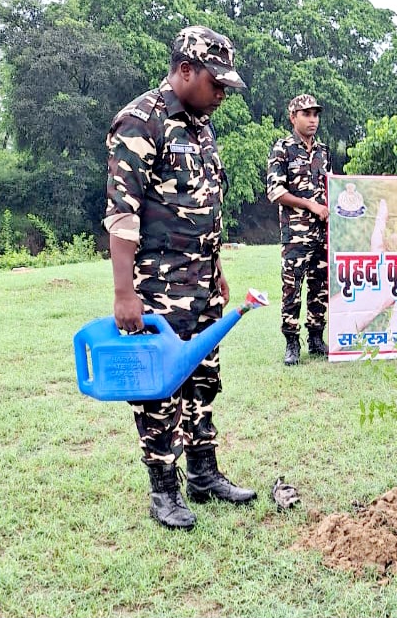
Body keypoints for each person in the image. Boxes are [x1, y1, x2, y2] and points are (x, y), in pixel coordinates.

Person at [104, 26, 256, 531]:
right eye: (217, 84)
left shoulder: (201, 127)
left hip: (202, 284)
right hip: (156, 287)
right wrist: (125, 293)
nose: (222, 95)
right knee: (159, 387)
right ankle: (164, 491)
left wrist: (217, 271)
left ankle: (203, 474)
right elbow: (122, 215)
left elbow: (205, 209)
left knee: (202, 380)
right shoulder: (140, 121)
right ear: (186, 70)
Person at [265, 94, 332, 366]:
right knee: (292, 289)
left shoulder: (323, 151)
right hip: (295, 234)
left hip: (323, 233)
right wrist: (311, 206)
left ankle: (316, 337)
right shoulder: (282, 149)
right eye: (306, 114)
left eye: (315, 114)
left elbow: (331, 185)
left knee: (320, 288)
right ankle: (292, 342)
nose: (312, 119)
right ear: (293, 117)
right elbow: (275, 191)